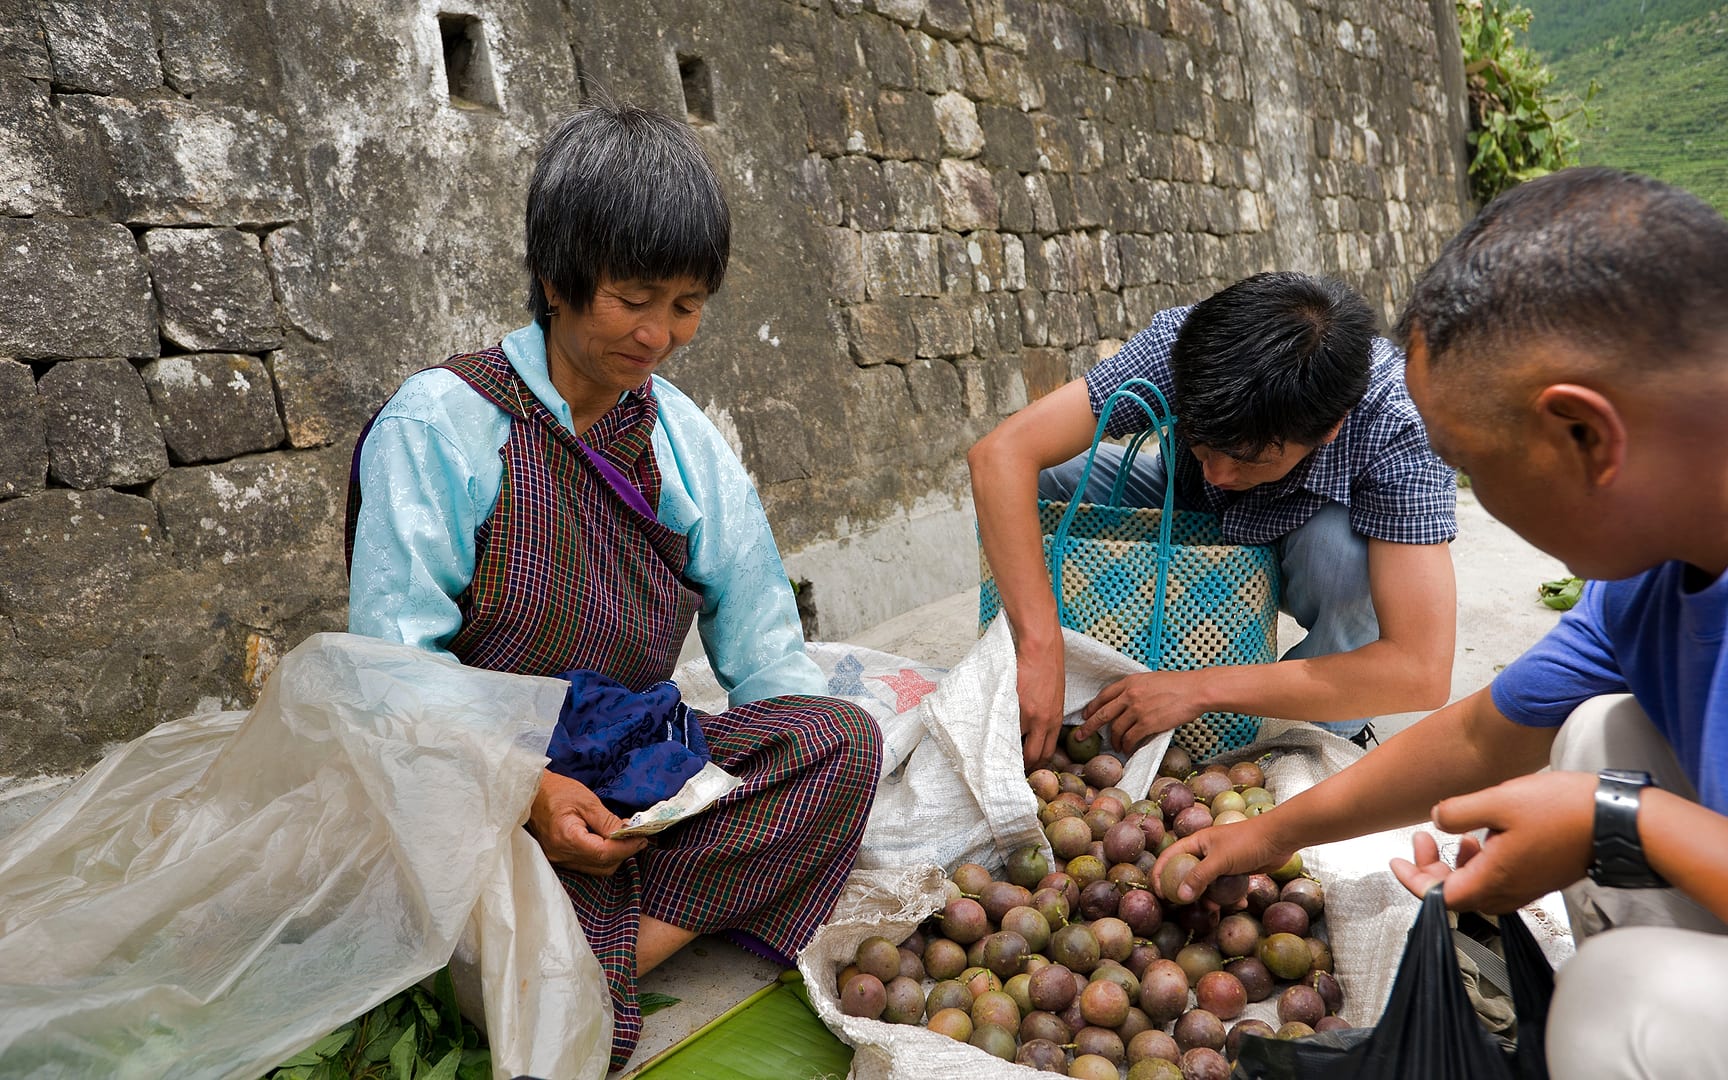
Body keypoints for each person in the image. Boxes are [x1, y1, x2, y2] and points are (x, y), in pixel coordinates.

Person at [1153, 167, 1728, 1078]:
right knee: (1593, 735)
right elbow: (1481, 731)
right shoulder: (1648, 583)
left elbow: (1592, 804)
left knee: (1623, 997)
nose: (1477, 504)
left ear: (1586, 434)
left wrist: (1618, 822)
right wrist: (1267, 835)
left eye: (1468, 463)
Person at [345, 103, 882, 1067]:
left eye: (686, 305)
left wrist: (780, 775)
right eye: (636, 298)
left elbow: (764, 647)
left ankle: (605, 952)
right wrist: (527, 790)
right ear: (558, 280)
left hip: (632, 772)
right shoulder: (441, 424)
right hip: (476, 785)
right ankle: (584, 946)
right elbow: (394, 678)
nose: (660, 335)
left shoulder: (678, 436)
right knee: (459, 890)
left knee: (842, 741)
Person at [968, 272, 1458, 766]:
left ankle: (1319, 734)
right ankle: (1064, 678)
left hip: (1303, 538)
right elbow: (999, 455)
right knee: (1047, 477)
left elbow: (1419, 669)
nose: (1220, 473)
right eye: (1204, 446)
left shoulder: (1401, 426)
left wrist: (1199, 689)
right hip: (1184, 499)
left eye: (1249, 459)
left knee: (1344, 554)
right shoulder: (1184, 348)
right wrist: (1040, 643)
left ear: (1329, 428)